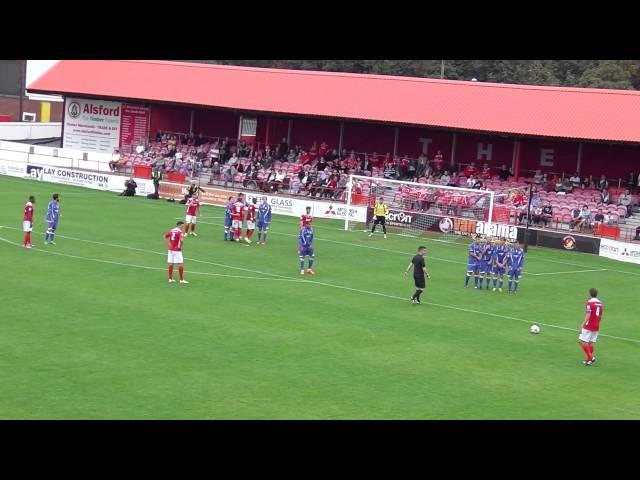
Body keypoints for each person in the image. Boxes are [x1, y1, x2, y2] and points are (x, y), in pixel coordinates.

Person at [579, 288, 603, 366]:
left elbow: (588, 314)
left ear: (589, 294)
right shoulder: (600, 303)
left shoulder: (589, 303)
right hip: (596, 325)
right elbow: (600, 315)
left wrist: (582, 324)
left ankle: (591, 357)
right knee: (590, 343)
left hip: (589, 325)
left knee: (582, 341)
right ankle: (588, 360)